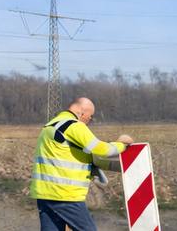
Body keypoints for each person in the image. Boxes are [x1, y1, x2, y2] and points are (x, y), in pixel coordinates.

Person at [30, 97, 133, 231]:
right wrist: (122, 144)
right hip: (64, 194)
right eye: (90, 117)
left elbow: (78, 155)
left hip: (44, 193)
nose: (89, 121)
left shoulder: (51, 125)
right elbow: (102, 149)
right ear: (82, 113)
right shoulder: (73, 125)